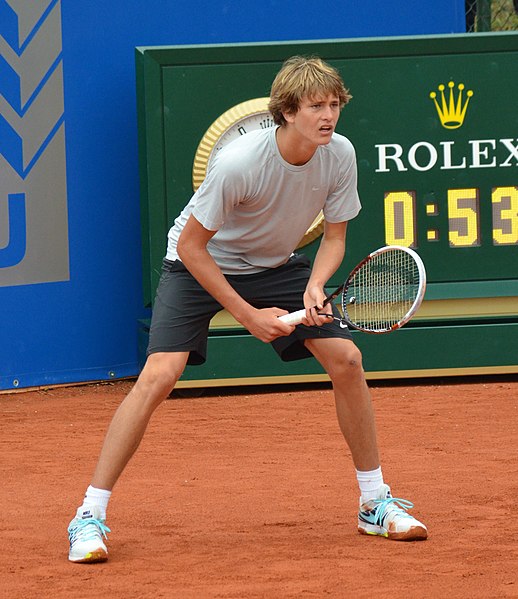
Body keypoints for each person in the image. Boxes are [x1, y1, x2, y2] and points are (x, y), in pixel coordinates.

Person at [67, 56, 427, 563]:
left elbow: (336, 234)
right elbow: (193, 246)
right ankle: (89, 514)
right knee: (159, 375)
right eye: (315, 107)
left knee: (347, 360)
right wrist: (246, 314)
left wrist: (316, 285)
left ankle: (374, 502)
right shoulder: (241, 162)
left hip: (278, 264)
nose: (327, 116)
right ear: (286, 111)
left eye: (333, 105)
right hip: (200, 262)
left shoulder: (339, 154)